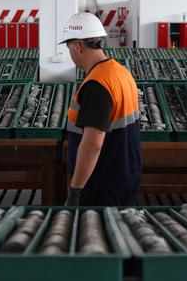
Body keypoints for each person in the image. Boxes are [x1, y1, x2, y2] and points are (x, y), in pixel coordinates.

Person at [60, 12, 142, 206]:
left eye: (69, 48)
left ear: (78, 46)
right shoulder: (120, 72)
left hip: (102, 184)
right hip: (125, 176)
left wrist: (75, 191)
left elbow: (92, 145)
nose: (70, 54)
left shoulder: (97, 84)